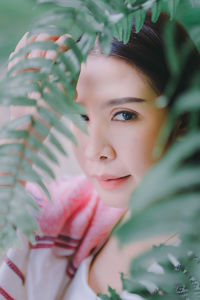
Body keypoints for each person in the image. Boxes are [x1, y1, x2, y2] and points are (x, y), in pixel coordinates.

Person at [0, 10, 199, 300]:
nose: (96, 151)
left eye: (124, 115)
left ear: (182, 117)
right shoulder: (77, 215)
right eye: (82, 116)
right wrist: (20, 138)